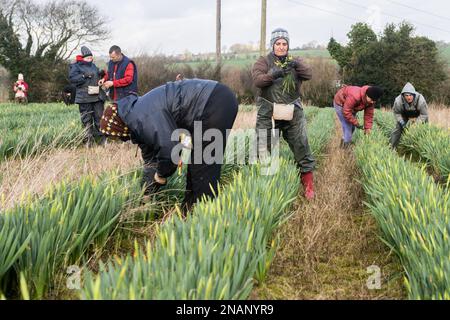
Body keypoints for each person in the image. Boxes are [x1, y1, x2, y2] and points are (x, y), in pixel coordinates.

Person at [100, 79, 238, 213]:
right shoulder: (136, 118)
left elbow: (171, 151)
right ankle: (189, 213)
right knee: (197, 166)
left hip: (214, 102)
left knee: (203, 169)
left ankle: (205, 218)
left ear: (118, 126)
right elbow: (151, 160)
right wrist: (146, 190)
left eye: (115, 136)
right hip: (213, 99)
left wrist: (161, 175)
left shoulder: (142, 118)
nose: (120, 139)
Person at [252, 28, 316, 200]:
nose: (281, 47)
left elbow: (308, 74)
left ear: (288, 45)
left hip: (292, 110)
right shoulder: (263, 61)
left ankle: (308, 186)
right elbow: (258, 80)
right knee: (264, 147)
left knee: (301, 144)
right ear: (273, 45)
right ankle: (265, 186)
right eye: (278, 44)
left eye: (284, 44)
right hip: (268, 112)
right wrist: (274, 74)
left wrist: (296, 65)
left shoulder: (295, 61)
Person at [69, 46, 106, 147]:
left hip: (97, 96)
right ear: (83, 58)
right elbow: (72, 79)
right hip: (84, 98)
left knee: (99, 118)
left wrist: (101, 74)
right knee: (86, 120)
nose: (90, 59)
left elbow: (97, 76)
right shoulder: (75, 66)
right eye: (88, 58)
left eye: (91, 57)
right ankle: (88, 142)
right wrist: (84, 76)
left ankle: (102, 141)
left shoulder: (93, 66)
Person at [390, 82, 429, 149]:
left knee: (425, 130)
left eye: (410, 95)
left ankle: (424, 148)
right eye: (406, 95)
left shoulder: (420, 100)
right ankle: (392, 148)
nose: (408, 97)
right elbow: (397, 113)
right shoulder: (398, 101)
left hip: (419, 116)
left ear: (414, 95)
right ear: (403, 95)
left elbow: (424, 115)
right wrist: (401, 122)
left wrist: (416, 124)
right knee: (397, 130)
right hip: (404, 115)